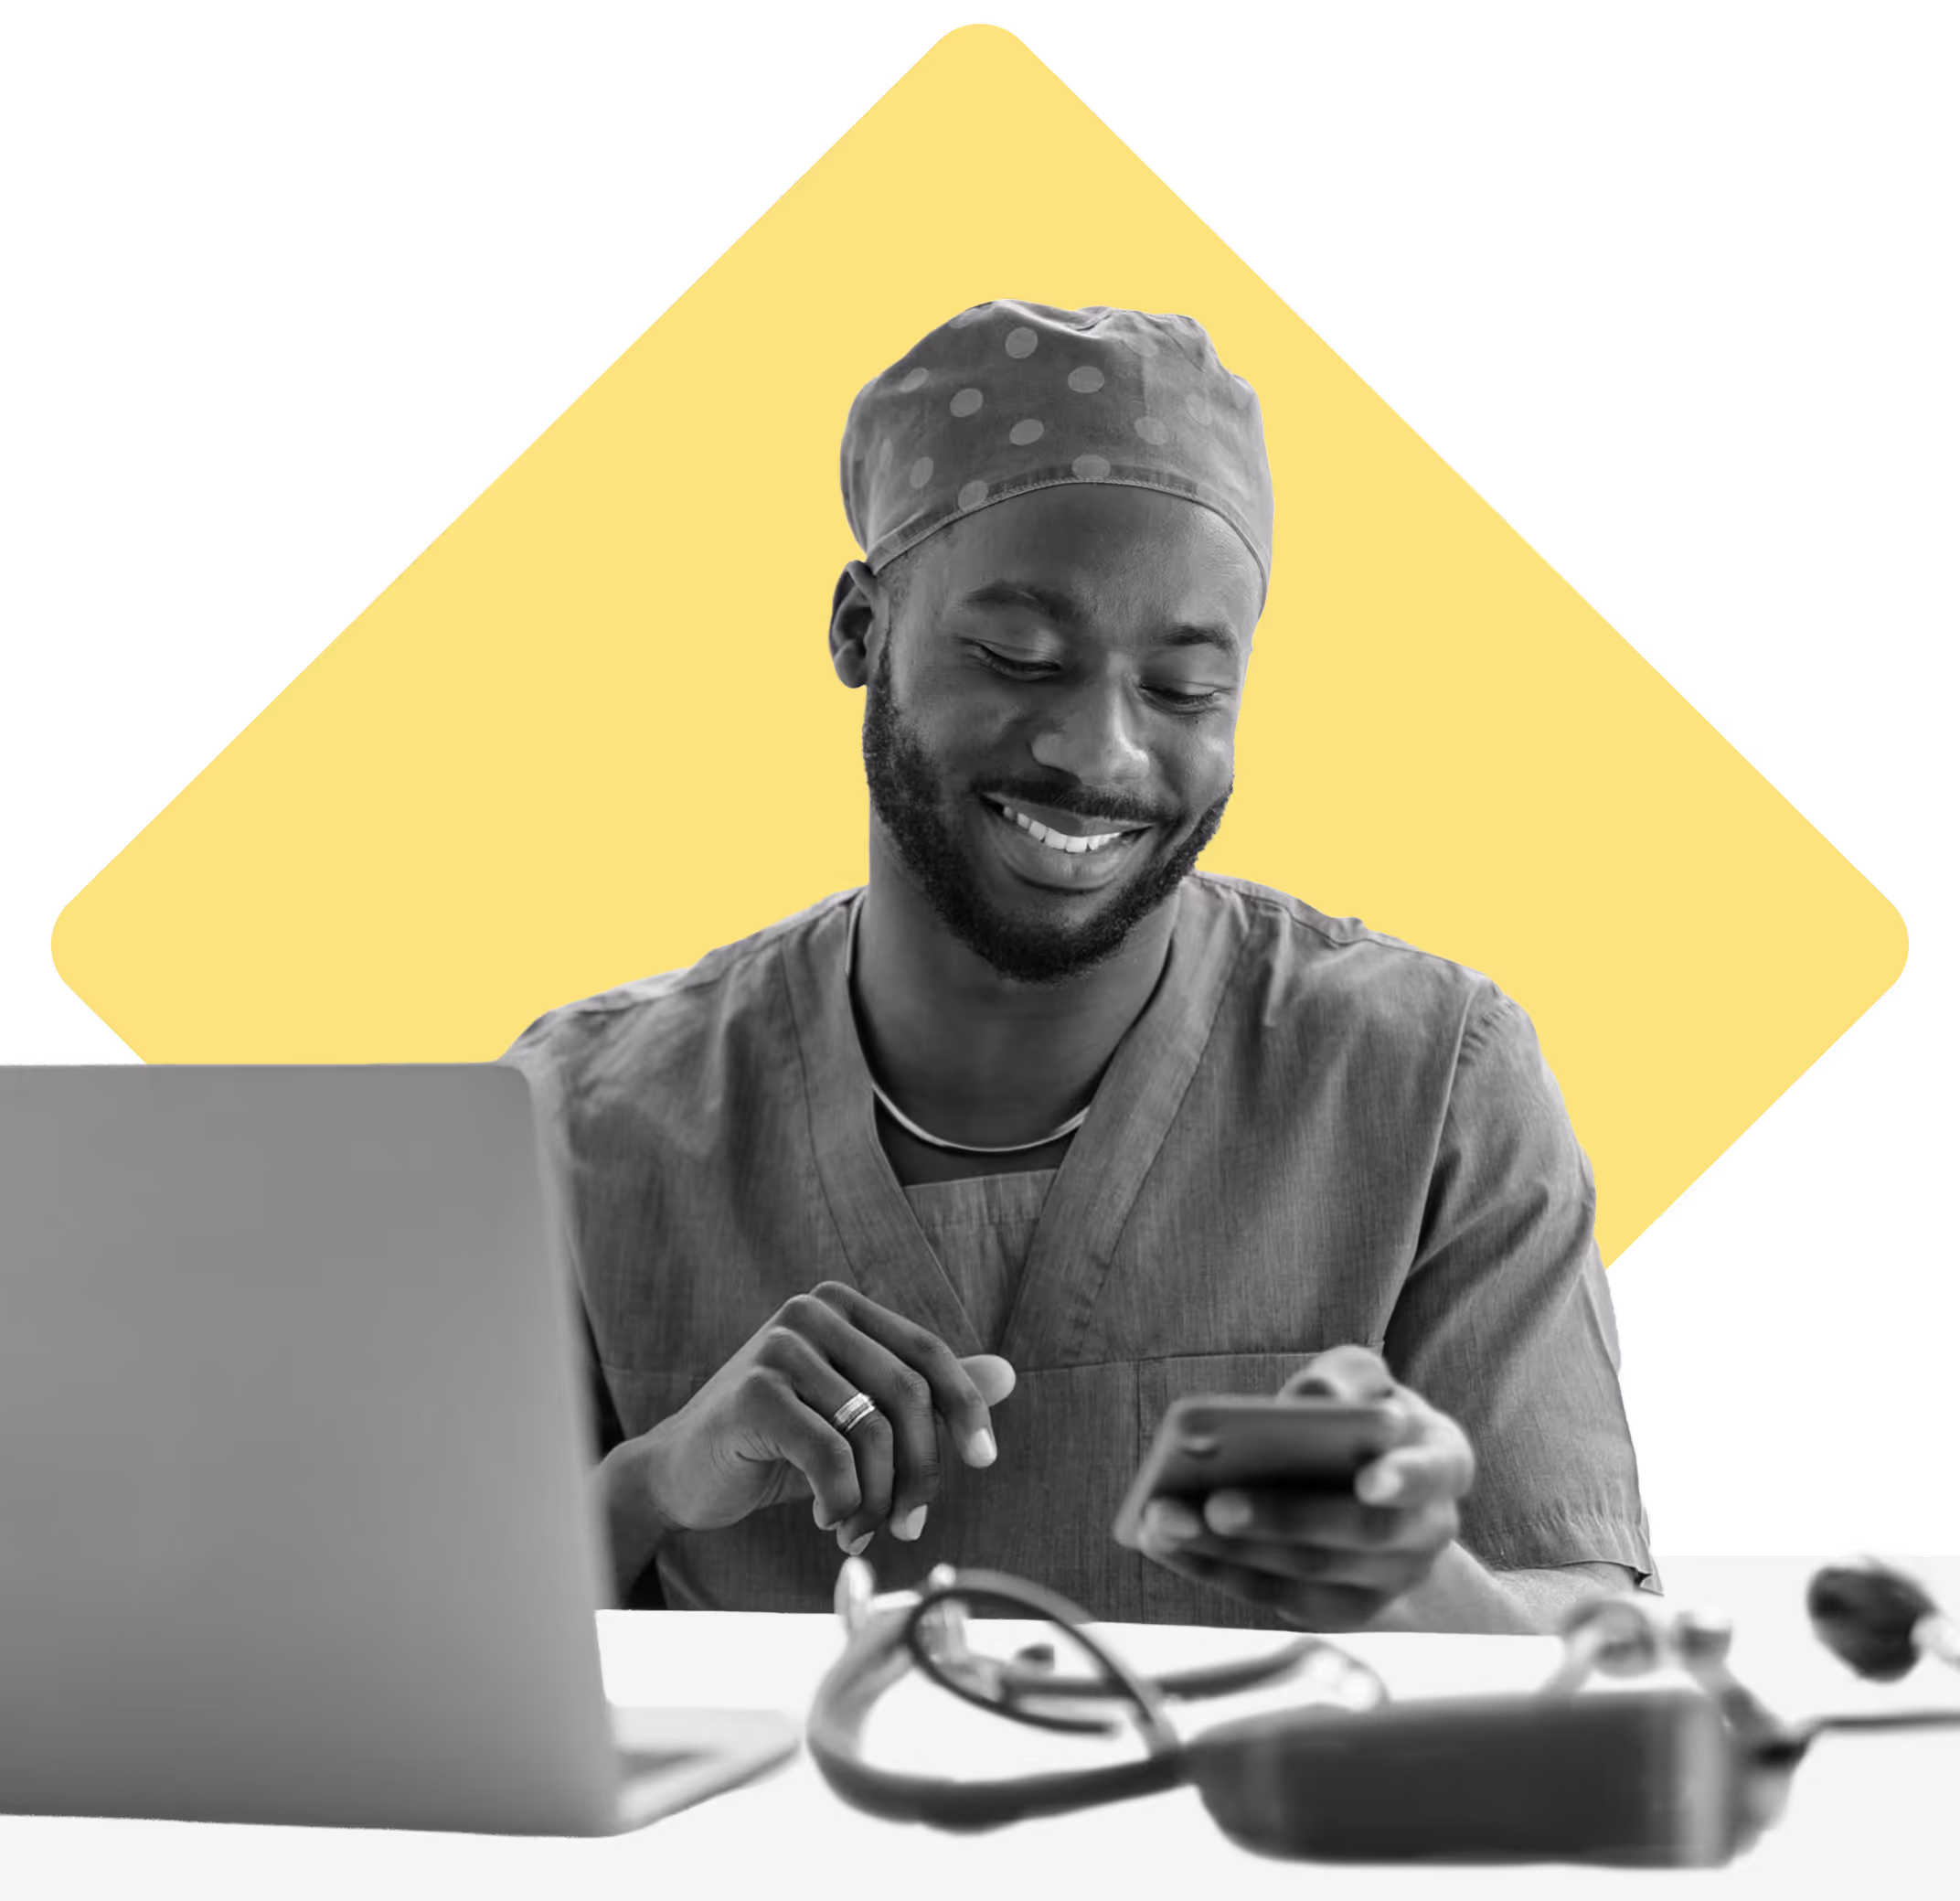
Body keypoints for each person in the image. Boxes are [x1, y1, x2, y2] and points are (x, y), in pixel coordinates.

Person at [504, 301, 1658, 1633]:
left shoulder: (1430, 1080)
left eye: (1182, 690)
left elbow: (1593, 1627)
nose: (1102, 752)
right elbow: (388, 1637)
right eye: (1019, 658)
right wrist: (652, 1483)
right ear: (861, 629)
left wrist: (1407, 1579)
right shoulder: (582, 1118)